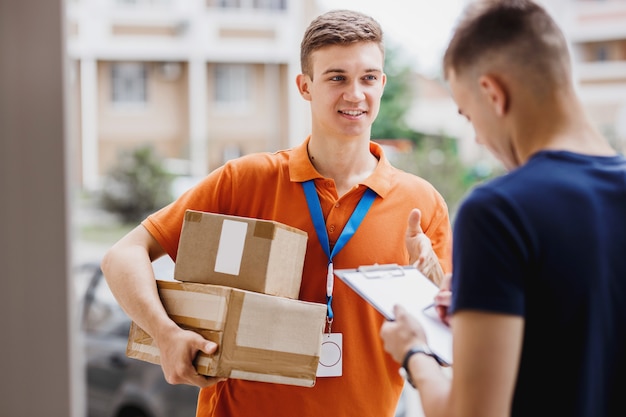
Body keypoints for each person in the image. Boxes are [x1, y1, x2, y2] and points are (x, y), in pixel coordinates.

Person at [101, 9, 453, 417]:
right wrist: (165, 334)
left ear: (382, 84)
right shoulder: (244, 180)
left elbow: (440, 351)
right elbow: (122, 256)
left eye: (368, 78)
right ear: (305, 86)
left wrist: (430, 284)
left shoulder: (422, 204)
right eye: (337, 77)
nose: (355, 94)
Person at [380, 1, 626, 416]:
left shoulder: (498, 211)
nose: (476, 137)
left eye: (468, 114)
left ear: (493, 94)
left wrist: (414, 352)